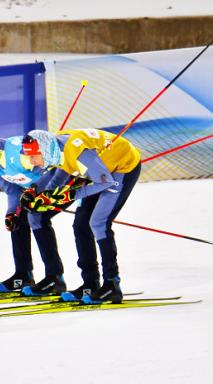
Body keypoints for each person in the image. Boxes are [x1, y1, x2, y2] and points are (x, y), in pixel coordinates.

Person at [19, 128, 141, 304]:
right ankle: (90, 283)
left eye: (34, 156)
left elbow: (104, 181)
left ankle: (112, 285)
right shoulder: (57, 147)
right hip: (99, 170)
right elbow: (63, 172)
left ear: (45, 151)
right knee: (81, 225)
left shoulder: (77, 150)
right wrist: (43, 194)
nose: (32, 162)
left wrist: (70, 194)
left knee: (98, 223)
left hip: (122, 167)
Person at [0, 124, 72, 295]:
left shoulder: (18, 151)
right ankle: (23, 275)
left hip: (61, 183)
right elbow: (13, 190)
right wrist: (11, 213)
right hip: (35, 192)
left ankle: (55, 278)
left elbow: (54, 168)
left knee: (37, 217)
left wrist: (36, 191)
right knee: (17, 219)